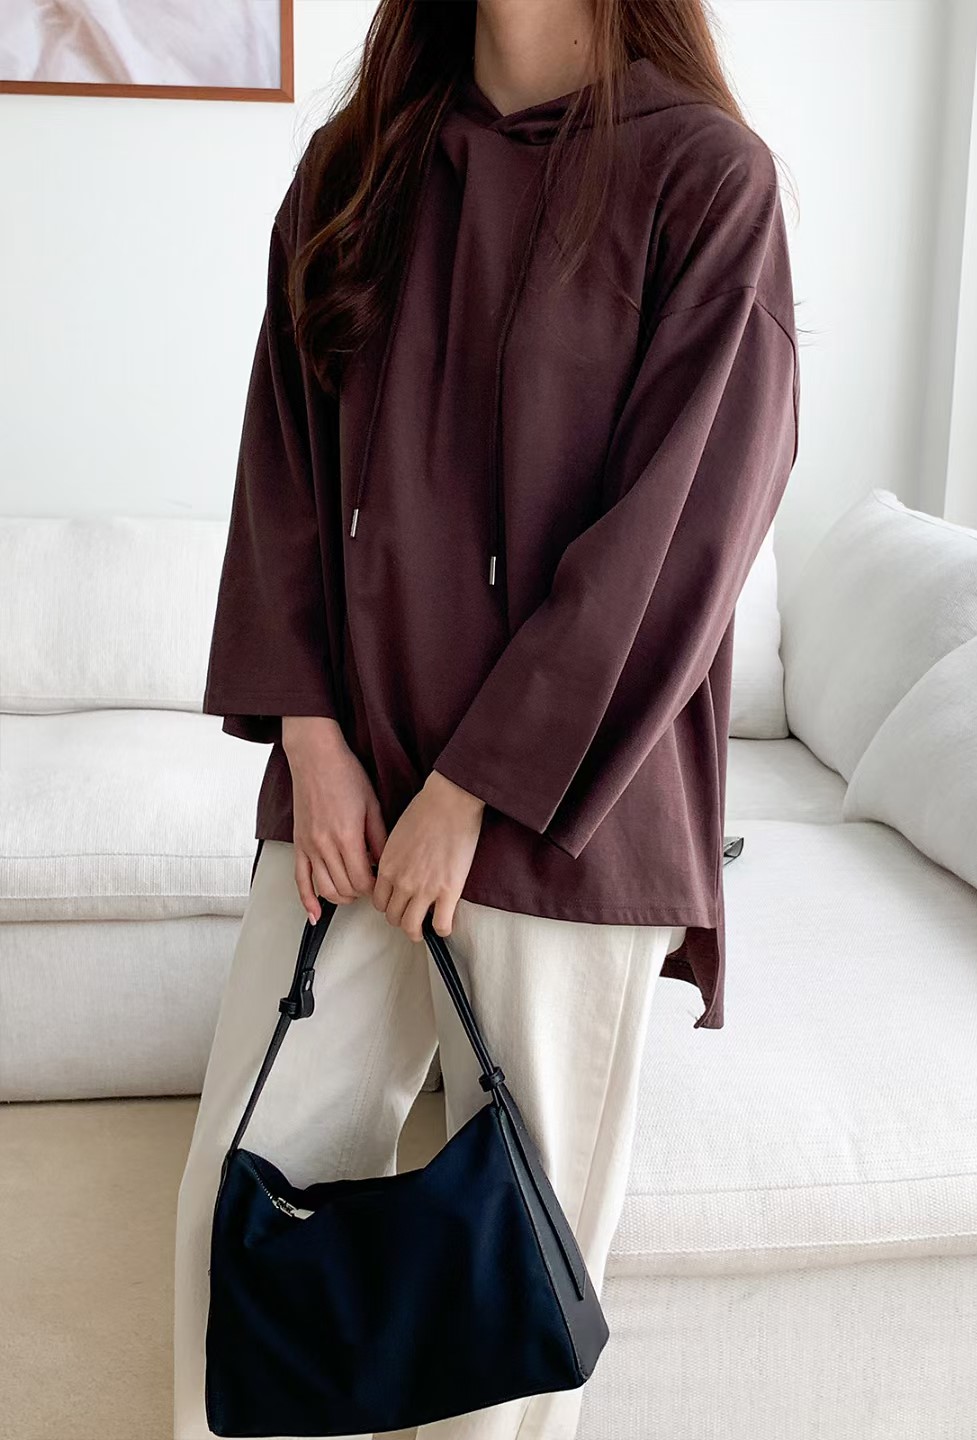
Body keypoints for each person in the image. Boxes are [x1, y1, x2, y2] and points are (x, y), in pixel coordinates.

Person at [174, 0, 800, 1435]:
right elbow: (284, 462)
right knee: (239, 1195)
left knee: (508, 1287)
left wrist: (473, 792)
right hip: (346, 793)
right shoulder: (355, 167)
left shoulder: (709, 178)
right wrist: (311, 736)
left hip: (563, 814)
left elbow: (677, 535)